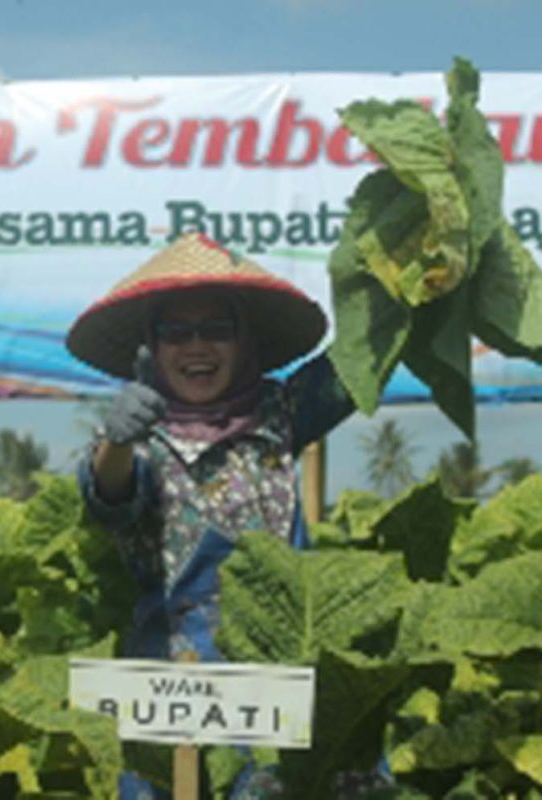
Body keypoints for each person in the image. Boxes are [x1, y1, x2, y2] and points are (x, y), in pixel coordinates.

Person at [68, 232, 386, 797]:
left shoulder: (280, 412)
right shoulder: (137, 436)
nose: (197, 347)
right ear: (152, 346)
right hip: (175, 678)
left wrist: (413, 274)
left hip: (278, 669)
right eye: (177, 332)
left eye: (217, 330)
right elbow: (108, 495)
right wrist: (116, 441)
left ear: (246, 343)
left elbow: (360, 359)